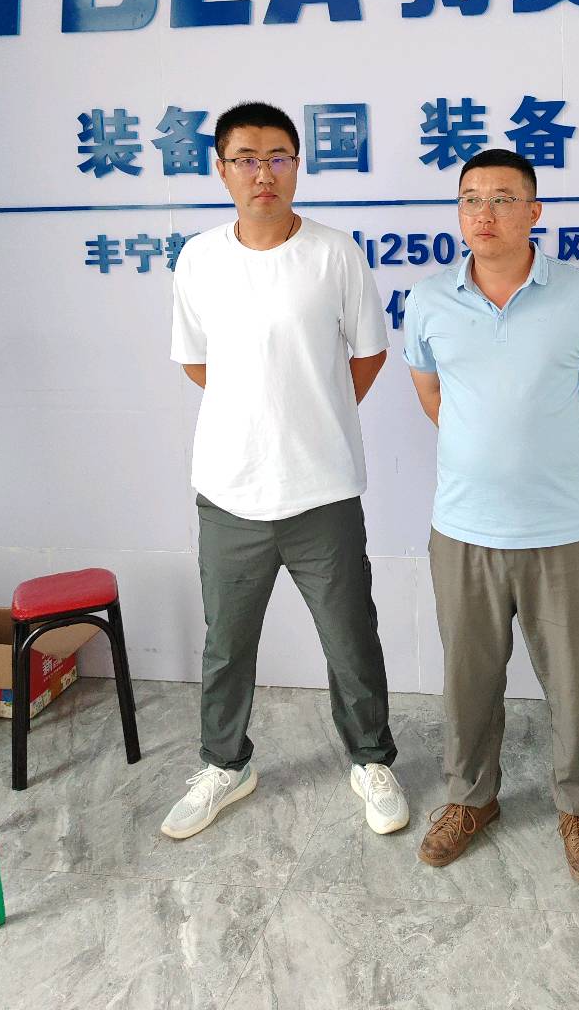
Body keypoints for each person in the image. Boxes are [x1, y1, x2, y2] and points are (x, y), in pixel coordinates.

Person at [162, 101, 407, 841]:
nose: (262, 173)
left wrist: (310, 410)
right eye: (246, 158)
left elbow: (368, 354)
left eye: (277, 157)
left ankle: (370, 760)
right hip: (229, 490)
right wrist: (256, 411)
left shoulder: (335, 253)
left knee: (350, 639)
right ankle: (225, 764)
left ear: (297, 165)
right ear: (221, 169)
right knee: (226, 644)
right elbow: (198, 362)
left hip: (322, 488)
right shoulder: (199, 258)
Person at [402, 148, 579, 883]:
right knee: (467, 682)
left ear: (534, 211)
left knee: (574, 683)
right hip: (463, 530)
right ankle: (470, 799)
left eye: (502, 198)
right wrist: (487, 452)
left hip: (560, 529)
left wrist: (541, 454)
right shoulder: (429, 301)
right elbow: (431, 395)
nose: (485, 213)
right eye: (471, 199)